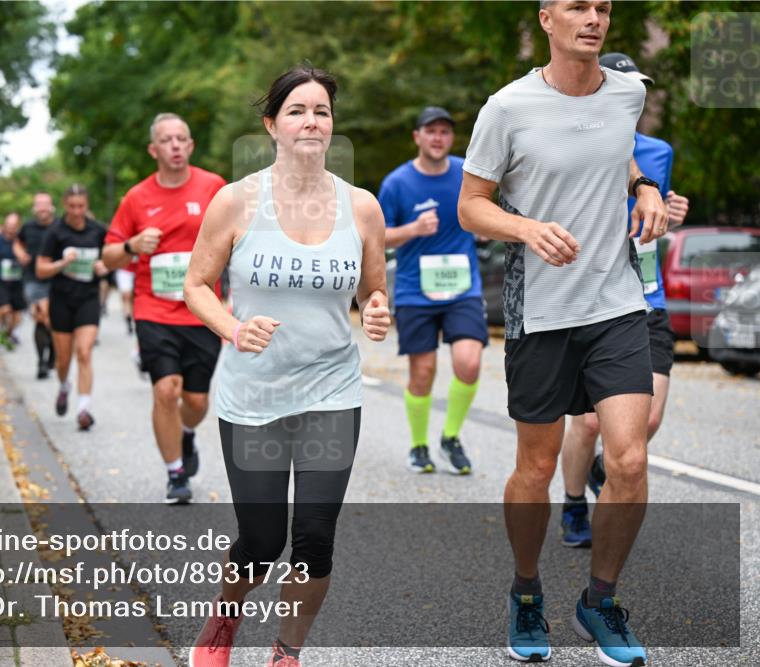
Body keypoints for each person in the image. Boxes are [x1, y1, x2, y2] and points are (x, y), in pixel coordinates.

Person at [458, 2, 669, 665]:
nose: (594, 18)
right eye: (578, 6)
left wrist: (645, 189)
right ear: (547, 18)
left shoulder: (627, 93)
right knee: (537, 466)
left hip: (615, 303)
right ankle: (526, 591)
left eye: (603, 7)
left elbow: (618, 154)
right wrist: (526, 229)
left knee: (629, 459)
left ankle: (599, 600)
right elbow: (472, 205)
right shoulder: (507, 108)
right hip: (540, 312)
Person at [184, 65, 390, 667]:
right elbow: (196, 285)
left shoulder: (362, 207)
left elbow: (373, 292)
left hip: (331, 390)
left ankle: (286, 652)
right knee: (262, 540)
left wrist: (376, 313)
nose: (311, 121)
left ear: (332, 126)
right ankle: (227, 611)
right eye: (297, 110)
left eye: (321, 111)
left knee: (315, 539)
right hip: (254, 397)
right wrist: (233, 328)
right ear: (273, 125)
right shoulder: (236, 201)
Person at [558, 52, 691, 549]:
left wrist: (670, 209)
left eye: (641, 88)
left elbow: (654, 212)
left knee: (648, 418)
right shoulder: (575, 144)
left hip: (646, 297)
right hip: (590, 297)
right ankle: (573, 503)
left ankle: (600, 469)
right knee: (589, 419)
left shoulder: (658, 150)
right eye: (626, 86)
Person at [102, 113, 226, 503]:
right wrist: (130, 246)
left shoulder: (214, 188)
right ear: (153, 150)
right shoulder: (136, 198)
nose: (175, 145)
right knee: (165, 390)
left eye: (181, 138)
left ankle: (187, 434)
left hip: (203, 310)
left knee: (196, 401)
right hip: (153, 309)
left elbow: (243, 236)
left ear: (190, 146)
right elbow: (107, 257)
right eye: (166, 140)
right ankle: (175, 474)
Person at [378, 105, 487, 475]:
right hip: (415, 290)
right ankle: (420, 444)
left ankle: (451, 437)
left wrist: (486, 226)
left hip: (462, 287)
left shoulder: (466, 173)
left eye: (444, 132)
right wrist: (412, 230)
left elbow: (486, 212)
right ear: (417, 137)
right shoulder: (397, 183)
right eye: (431, 131)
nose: (438, 138)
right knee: (423, 372)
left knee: (469, 362)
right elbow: (377, 235)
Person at [37, 185, 109, 430]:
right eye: (72, 207)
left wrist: (104, 266)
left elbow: (111, 257)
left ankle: (83, 409)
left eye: (81, 206)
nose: (77, 212)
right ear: (65, 205)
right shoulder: (55, 233)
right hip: (62, 300)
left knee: (85, 352)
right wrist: (61, 263)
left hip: (88, 298)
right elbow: (41, 269)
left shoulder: (98, 230)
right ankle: (64, 385)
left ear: (87, 205)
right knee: (64, 360)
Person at [17, 193, 57, 378]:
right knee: (40, 316)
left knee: (49, 319)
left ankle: (52, 350)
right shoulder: (28, 227)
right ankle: (41, 360)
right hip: (33, 279)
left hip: (55, 279)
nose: (42, 208)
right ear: (34, 208)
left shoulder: (59, 226)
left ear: (51, 207)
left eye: (45, 204)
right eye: (38, 204)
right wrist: (20, 254)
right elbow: (17, 243)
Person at [0, 214, 26, 350]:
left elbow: (28, 258)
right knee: (5, 309)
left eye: (14, 226)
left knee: (17, 317)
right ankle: (2, 325)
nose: (11, 228)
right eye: (8, 225)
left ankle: (7, 333)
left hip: (18, 282)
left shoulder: (22, 241)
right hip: (2, 281)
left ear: (18, 227)